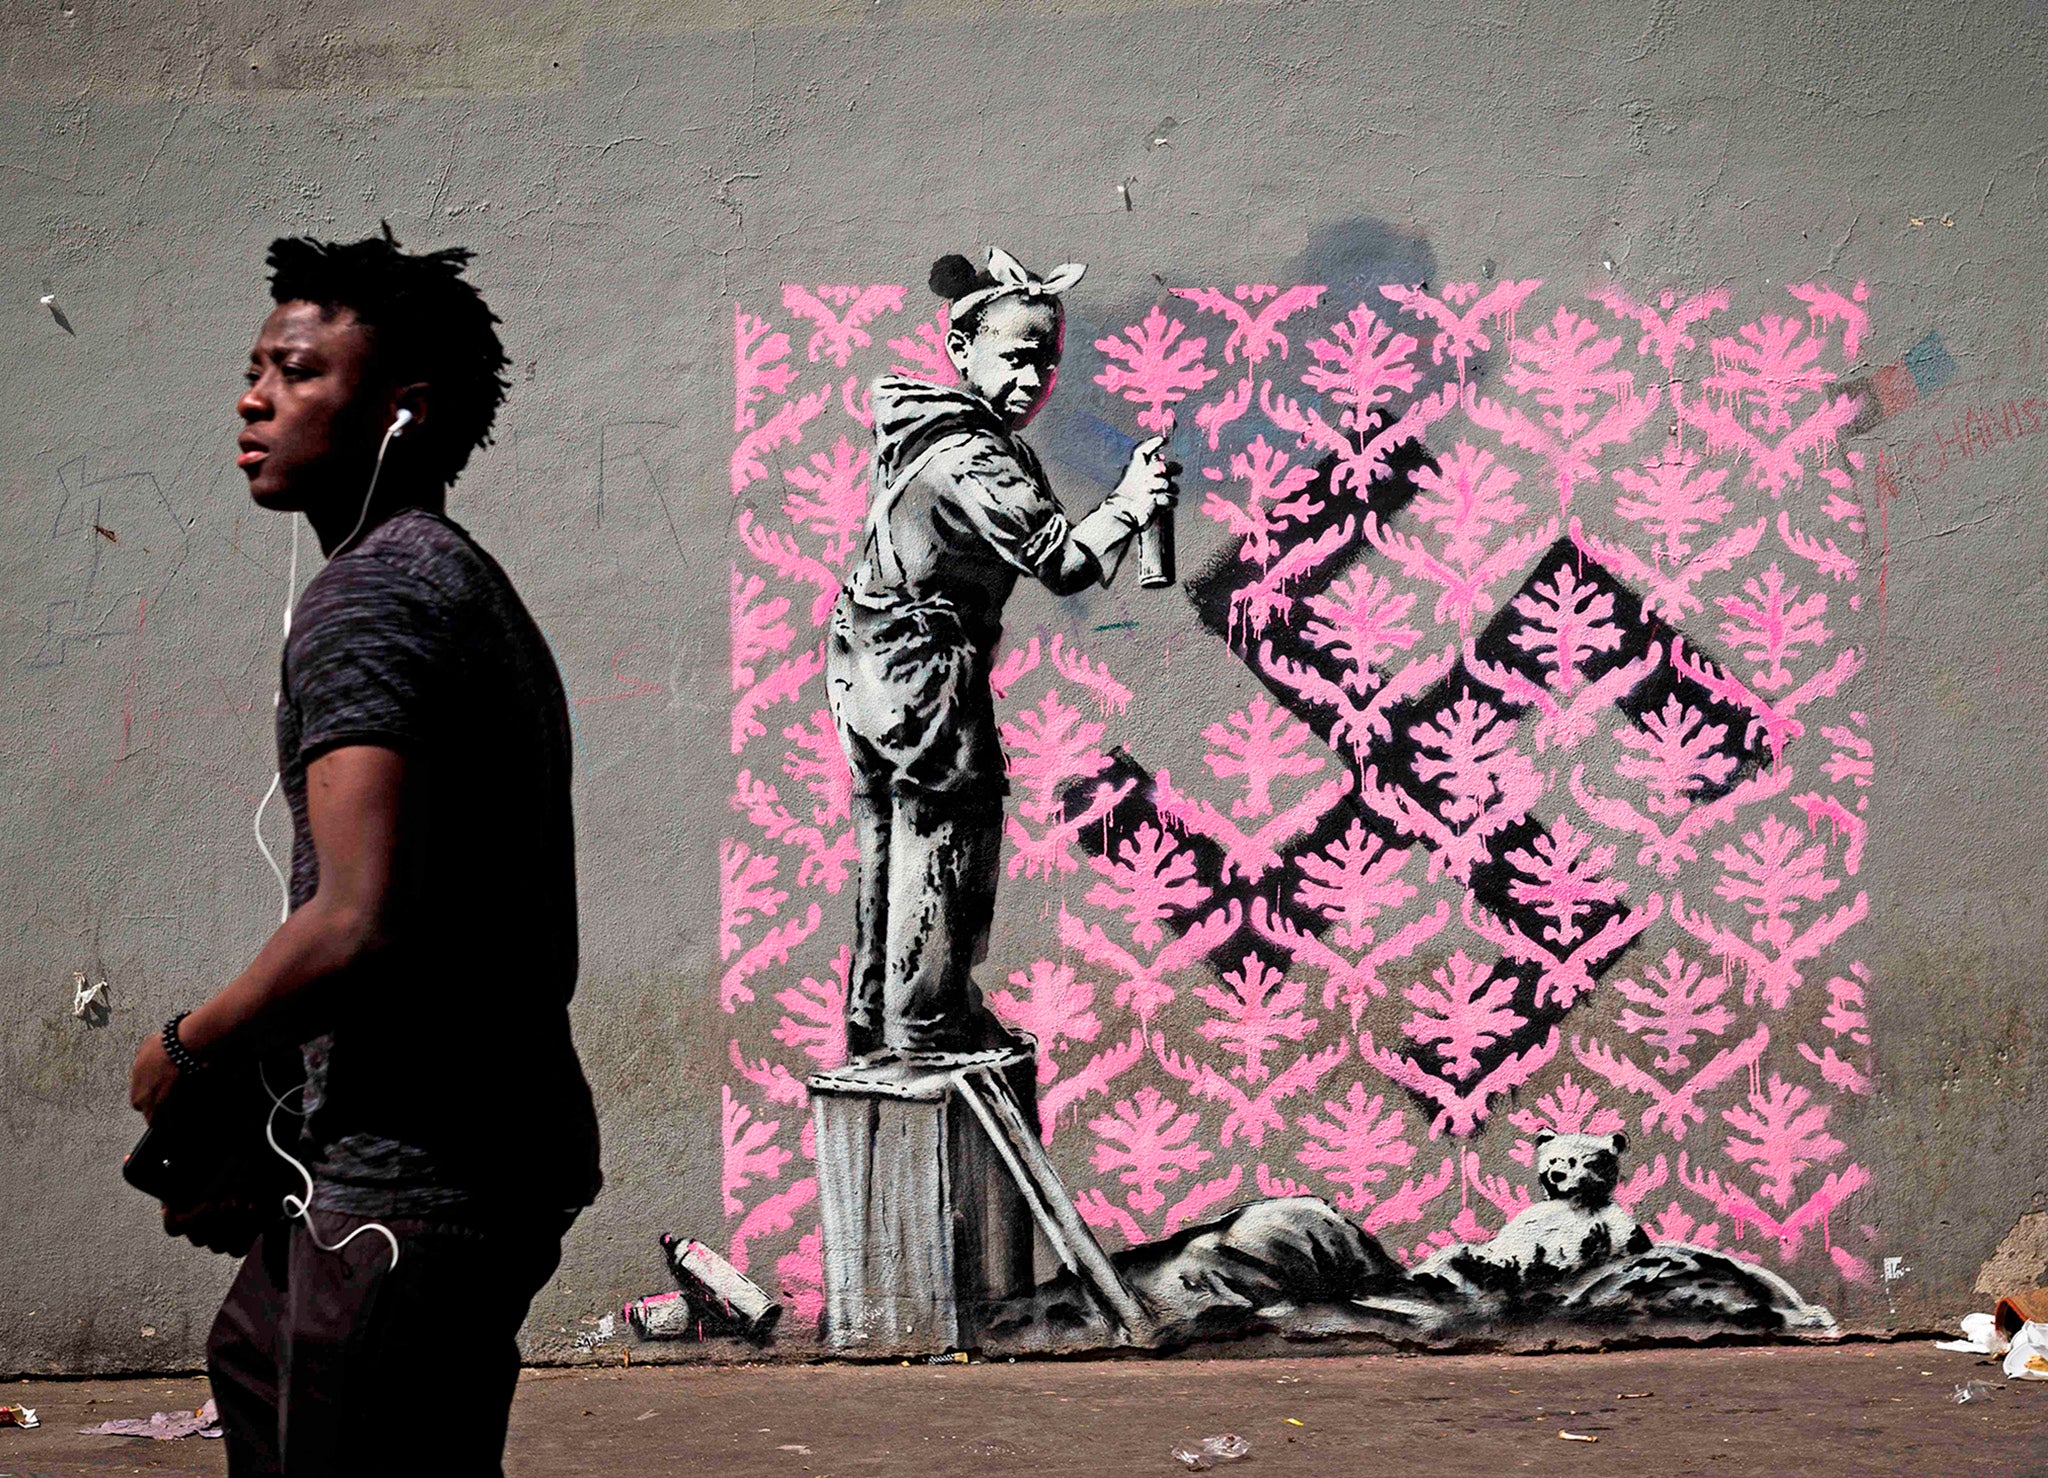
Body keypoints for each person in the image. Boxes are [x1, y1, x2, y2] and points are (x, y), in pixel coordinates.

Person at [126, 226, 601, 1475]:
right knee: (257, 1361)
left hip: (419, 1172)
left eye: (296, 372)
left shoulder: (375, 599)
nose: (254, 395)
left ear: (404, 411)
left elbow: (358, 917)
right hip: (420, 1153)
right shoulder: (444, 576)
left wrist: (190, 1046)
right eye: (256, 367)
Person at [827, 247, 1178, 1058]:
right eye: (1018, 357)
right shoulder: (975, 458)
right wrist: (1128, 505)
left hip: (868, 653)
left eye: (1047, 364)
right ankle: (929, 1022)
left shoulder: (928, 428)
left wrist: (1122, 515)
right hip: (923, 662)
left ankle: (877, 1011)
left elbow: (1063, 562)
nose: (1034, 381)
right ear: (961, 349)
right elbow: (1062, 563)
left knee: (888, 826)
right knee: (950, 828)